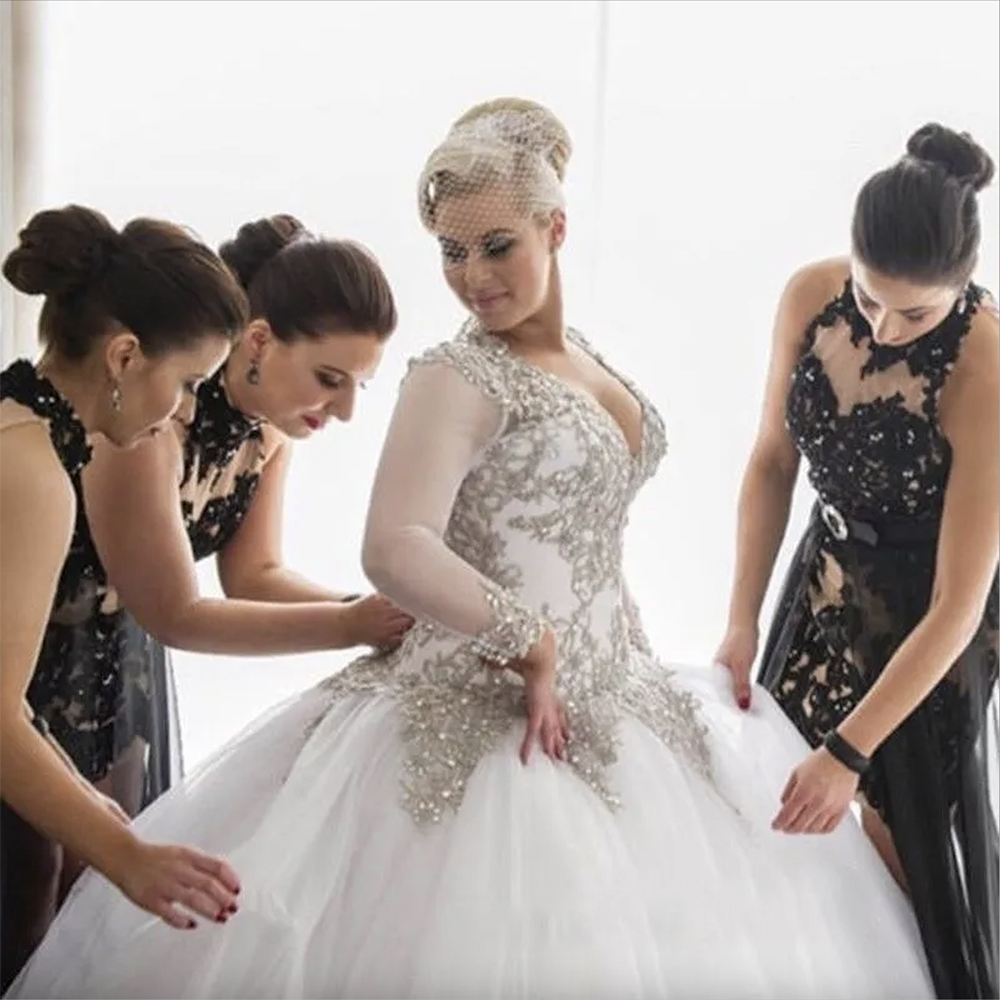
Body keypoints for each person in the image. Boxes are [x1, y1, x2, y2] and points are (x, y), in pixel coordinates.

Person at [5, 102, 935, 1000]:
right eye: (451, 251)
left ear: (556, 228)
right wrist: (507, 636)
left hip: (619, 689)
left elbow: (276, 570)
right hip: (475, 700)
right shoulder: (452, 374)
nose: (471, 274)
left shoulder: (584, 362)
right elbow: (387, 546)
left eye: (497, 246)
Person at [714, 124, 998, 999]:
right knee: (781, 822)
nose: (882, 327)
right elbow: (770, 463)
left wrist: (848, 752)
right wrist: (739, 618)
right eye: (871, 299)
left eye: (915, 313)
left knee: (906, 851)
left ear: (963, 283)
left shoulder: (986, 360)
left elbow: (960, 602)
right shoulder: (810, 296)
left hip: (933, 617)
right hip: (827, 577)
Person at [49, 213, 411, 843]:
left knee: (103, 879)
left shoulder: (269, 434)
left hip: (126, 665)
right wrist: (348, 627)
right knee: (37, 883)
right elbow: (176, 614)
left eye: (358, 386)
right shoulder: (148, 420)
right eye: (330, 380)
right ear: (260, 341)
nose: (346, 410)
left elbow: (254, 575)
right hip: (39, 651)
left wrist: (369, 609)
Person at [0, 205, 246, 992]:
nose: (182, 411)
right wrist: (127, 858)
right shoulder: (34, 472)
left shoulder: (19, 433)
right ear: (125, 355)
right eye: (187, 383)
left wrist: (83, 807)